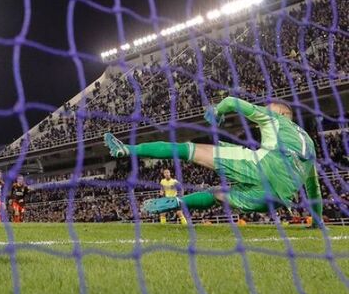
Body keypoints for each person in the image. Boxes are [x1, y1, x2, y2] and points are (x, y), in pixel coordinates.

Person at [104, 96, 323, 226]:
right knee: (217, 194)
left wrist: (217, 112)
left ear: (283, 113)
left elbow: (231, 101)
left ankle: (128, 148)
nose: (264, 112)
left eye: (269, 109)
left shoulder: (274, 118)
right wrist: (318, 221)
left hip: (258, 167)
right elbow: (314, 190)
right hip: (275, 198)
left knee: (185, 149)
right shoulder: (310, 145)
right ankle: (178, 204)